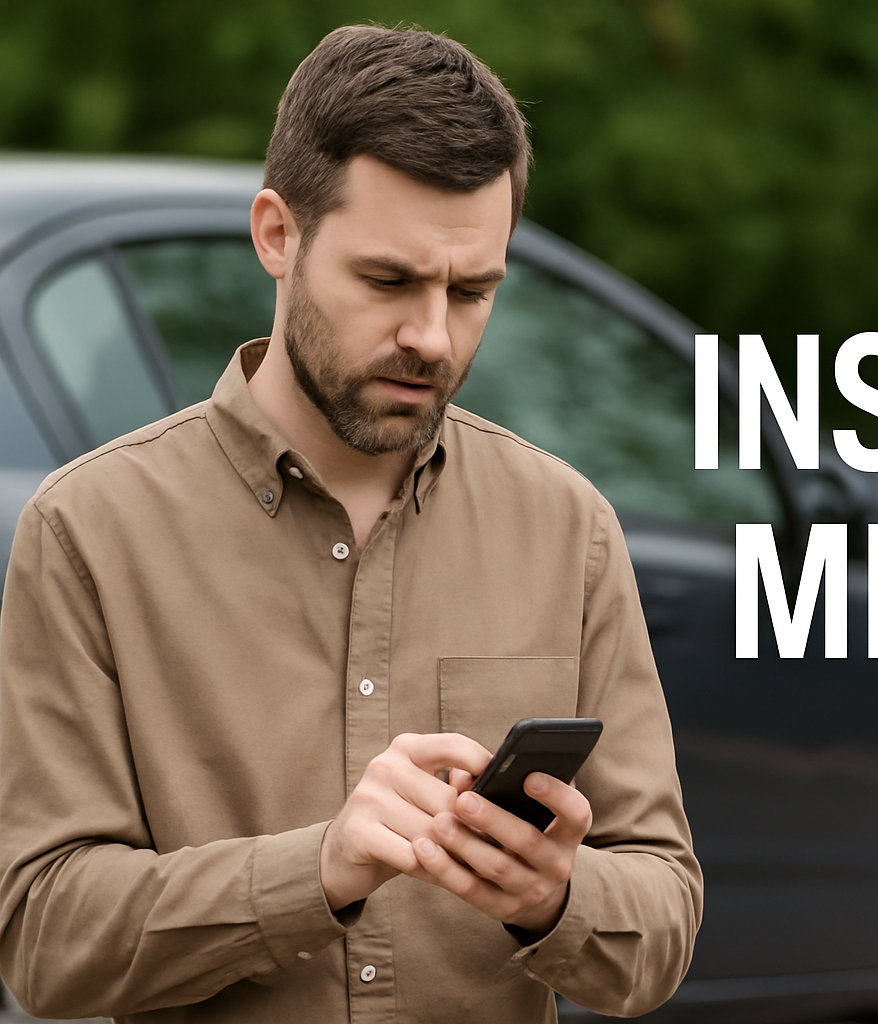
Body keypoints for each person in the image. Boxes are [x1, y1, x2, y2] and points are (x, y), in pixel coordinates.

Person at [0, 24, 701, 1023]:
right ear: (277, 236)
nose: (432, 335)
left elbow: (664, 913)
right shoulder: (89, 532)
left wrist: (557, 898)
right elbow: (44, 938)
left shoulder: (567, 526)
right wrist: (316, 870)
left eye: (472, 291)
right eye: (388, 281)